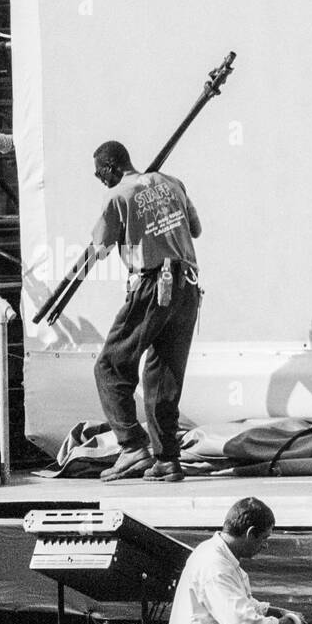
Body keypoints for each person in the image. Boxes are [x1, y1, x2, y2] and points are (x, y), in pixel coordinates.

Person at [89, 140, 202, 483]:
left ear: (110, 168)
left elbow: (100, 248)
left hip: (153, 286)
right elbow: (195, 229)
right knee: (162, 374)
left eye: (99, 174)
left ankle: (132, 447)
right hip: (188, 288)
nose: (100, 180)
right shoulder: (172, 183)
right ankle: (167, 459)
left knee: (110, 366)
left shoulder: (117, 197)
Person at [158, 497, 303, 624]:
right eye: (264, 538)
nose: (265, 545)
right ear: (250, 533)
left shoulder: (216, 555)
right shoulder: (215, 565)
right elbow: (242, 622)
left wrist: (271, 610)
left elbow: (235, 602)